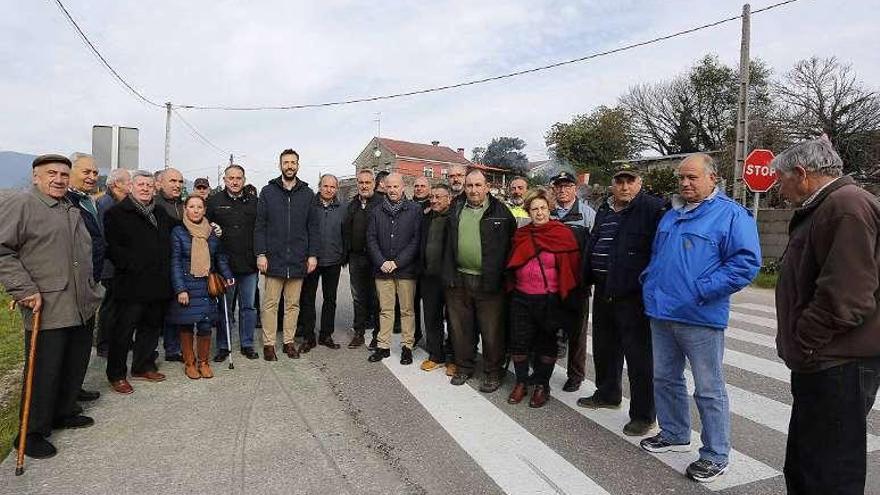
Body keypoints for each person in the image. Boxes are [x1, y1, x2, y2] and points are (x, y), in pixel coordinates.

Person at [639, 153, 760, 483]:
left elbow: (746, 264)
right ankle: (675, 433)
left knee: (708, 388)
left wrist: (702, 289)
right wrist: (650, 282)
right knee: (665, 378)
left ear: (713, 178)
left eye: (692, 177)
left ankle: (716, 453)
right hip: (662, 312)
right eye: (681, 177)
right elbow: (659, 257)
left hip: (700, 315)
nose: (685, 183)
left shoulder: (731, 215)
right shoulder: (671, 214)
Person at [772, 136, 880, 494]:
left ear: (802, 173)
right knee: (806, 463)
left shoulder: (845, 206)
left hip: (837, 363)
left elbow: (846, 295)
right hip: (822, 362)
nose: (779, 186)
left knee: (830, 473)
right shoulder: (827, 205)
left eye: (781, 178)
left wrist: (804, 342)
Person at [0, 154, 102, 459]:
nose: (58, 179)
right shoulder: (22, 204)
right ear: (35, 177)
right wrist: (24, 289)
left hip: (81, 300)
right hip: (46, 302)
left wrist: (95, 288)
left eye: (63, 174)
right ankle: (31, 433)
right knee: (45, 369)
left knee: (73, 361)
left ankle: (63, 410)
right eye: (51, 174)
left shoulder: (70, 206)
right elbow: (3, 251)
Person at [577, 165, 665, 437]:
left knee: (639, 357)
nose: (625, 187)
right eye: (620, 182)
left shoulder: (652, 209)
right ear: (612, 184)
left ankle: (643, 415)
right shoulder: (605, 209)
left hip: (633, 295)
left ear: (639, 183)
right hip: (604, 289)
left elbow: (660, 250)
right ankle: (607, 393)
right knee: (605, 347)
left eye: (630, 181)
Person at [104, 170, 178, 394]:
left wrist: (206, 226)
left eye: (148, 185)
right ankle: (116, 374)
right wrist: (133, 265)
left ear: (154, 188)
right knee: (123, 332)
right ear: (131, 188)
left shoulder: (161, 213)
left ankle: (142, 366)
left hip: (157, 283)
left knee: (151, 328)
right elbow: (112, 248)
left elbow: (182, 227)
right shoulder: (116, 213)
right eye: (140, 185)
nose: (145, 188)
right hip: (131, 284)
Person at [506, 188, 581, 408]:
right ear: (528, 211)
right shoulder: (521, 234)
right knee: (518, 342)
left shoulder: (562, 234)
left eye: (542, 208)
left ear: (549, 209)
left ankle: (541, 385)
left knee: (546, 343)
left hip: (549, 299)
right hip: (521, 296)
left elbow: (573, 269)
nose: (539, 213)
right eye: (534, 209)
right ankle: (521, 382)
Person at [443, 170, 515, 392]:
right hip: (459, 279)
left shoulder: (502, 212)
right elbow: (447, 244)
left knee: (492, 331)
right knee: (461, 328)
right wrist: (449, 275)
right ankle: (464, 366)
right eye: (469, 185)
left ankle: (493, 372)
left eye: (478, 185)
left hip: (490, 283)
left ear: (487, 187)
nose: (473, 190)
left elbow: (511, 248)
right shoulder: (455, 209)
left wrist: (502, 279)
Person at [254, 149, 319, 360]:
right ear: (280, 165)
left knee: (293, 305)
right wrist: (261, 253)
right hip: (274, 259)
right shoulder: (268, 192)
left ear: (298, 165)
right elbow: (260, 226)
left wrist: (312, 255)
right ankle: (269, 343)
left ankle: (289, 342)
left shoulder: (307, 194)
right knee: (270, 304)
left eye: (293, 162)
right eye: (286, 162)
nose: (289, 166)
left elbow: (313, 227)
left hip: (298, 259)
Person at [167, 195, 234, 379]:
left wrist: (227, 275)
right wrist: (180, 289)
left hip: (207, 284)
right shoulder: (178, 232)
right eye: (191, 206)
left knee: (205, 324)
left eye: (199, 207)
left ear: (204, 210)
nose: (196, 210)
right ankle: (190, 363)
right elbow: (174, 262)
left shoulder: (211, 232)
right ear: (185, 209)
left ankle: (203, 362)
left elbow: (219, 256)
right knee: (187, 325)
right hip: (188, 285)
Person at [366, 173, 422, 364]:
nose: (392, 190)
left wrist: (397, 262)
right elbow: (371, 238)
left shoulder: (414, 210)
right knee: (385, 310)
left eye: (395, 187)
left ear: (403, 187)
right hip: (382, 270)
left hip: (405, 270)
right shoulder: (376, 211)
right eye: (389, 187)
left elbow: (416, 241)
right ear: (384, 187)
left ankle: (407, 347)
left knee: (407, 310)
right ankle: (383, 346)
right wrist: (381, 261)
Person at [206, 164, 260, 361]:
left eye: (239, 178)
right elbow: (205, 229)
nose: (235, 181)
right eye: (231, 178)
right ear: (225, 180)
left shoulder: (254, 202)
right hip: (224, 265)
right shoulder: (214, 202)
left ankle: (247, 344)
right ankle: (223, 345)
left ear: (244, 180)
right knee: (225, 309)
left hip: (248, 264)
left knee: (248, 307)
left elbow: (261, 230)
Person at [550, 171, 596, 393]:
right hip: (551, 283)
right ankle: (545, 369)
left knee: (577, 333)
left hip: (578, 283)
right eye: (558, 186)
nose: (562, 190)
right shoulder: (548, 214)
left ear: (574, 189)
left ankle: (575, 375)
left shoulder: (587, 215)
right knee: (549, 328)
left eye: (567, 186)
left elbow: (595, 249)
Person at [65, 153, 104, 404]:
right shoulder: (66, 201)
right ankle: (65, 399)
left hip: (90, 280)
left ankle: (73, 389)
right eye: (86, 172)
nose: (91, 177)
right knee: (69, 345)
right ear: (71, 172)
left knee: (81, 344)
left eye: (94, 173)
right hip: (71, 285)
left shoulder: (87, 200)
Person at [298, 174, 346, 353]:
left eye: (333, 187)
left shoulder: (342, 208)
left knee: (330, 299)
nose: (329, 190)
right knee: (308, 299)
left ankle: (326, 334)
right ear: (319, 186)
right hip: (312, 260)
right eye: (325, 186)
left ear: (336, 189)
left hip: (333, 260)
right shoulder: (310, 206)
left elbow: (345, 233)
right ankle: (308, 337)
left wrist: (343, 256)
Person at [343, 169, 382, 348]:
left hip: (376, 258)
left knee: (376, 298)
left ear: (374, 184)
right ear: (357, 184)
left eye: (367, 183)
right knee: (358, 297)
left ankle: (377, 334)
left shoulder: (382, 203)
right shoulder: (352, 205)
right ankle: (359, 332)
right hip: (356, 257)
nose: (364, 186)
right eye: (361, 183)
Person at [419, 184, 455, 373]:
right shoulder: (425, 218)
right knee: (431, 317)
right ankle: (435, 355)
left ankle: (453, 358)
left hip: (449, 278)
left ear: (449, 198)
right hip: (429, 277)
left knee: (453, 319)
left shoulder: (455, 218)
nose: (433, 200)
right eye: (432, 197)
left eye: (438, 197)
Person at [95, 168, 131, 358]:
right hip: (110, 265)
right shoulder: (105, 204)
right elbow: (104, 236)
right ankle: (104, 344)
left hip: (119, 264)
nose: (131, 185)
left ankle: (117, 340)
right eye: (128, 181)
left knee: (120, 304)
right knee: (109, 305)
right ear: (117, 184)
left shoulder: (118, 202)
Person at [154, 167, 185, 362]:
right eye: (173, 181)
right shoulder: (154, 206)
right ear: (159, 184)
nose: (177, 185)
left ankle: (175, 348)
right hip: (160, 267)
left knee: (178, 307)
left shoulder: (183, 205)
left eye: (180, 182)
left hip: (181, 266)